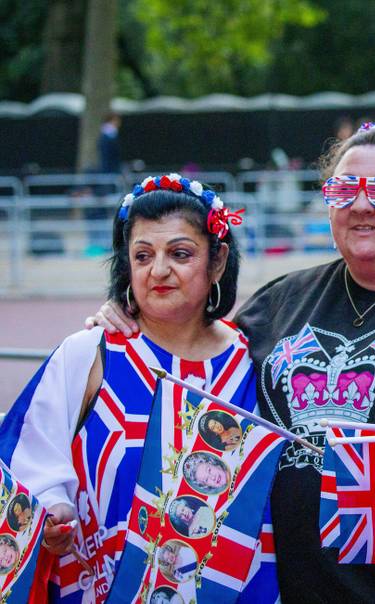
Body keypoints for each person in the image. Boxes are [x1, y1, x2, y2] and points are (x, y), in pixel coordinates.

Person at [87, 119, 375, 603]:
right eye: (344, 189)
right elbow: (198, 352)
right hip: (284, 588)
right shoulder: (281, 301)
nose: (361, 205)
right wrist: (128, 314)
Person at [0, 174, 259, 600]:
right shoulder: (88, 354)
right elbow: (25, 455)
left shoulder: (255, 361)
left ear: (217, 261)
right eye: (142, 255)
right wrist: (50, 510)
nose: (159, 270)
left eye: (180, 253)